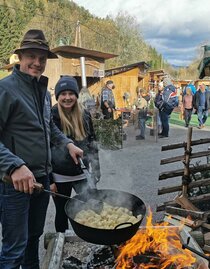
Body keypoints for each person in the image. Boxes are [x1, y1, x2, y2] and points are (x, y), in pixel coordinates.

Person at [0, 29, 83, 269]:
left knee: (33, 239)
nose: (37, 63)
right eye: (31, 56)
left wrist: (67, 144)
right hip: (14, 184)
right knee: (14, 248)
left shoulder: (44, 93)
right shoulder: (5, 90)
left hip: (41, 179)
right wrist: (14, 166)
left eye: (42, 58)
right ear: (21, 57)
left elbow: (48, 128)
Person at [50, 75, 101, 232]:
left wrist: (96, 168)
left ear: (76, 95)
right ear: (58, 96)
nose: (67, 97)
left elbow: (92, 142)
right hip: (59, 176)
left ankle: (95, 236)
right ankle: (61, 242)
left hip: (82, 173)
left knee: (94, 206)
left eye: (71, 93)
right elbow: (45, 149)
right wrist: (49, 179)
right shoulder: (51, 115)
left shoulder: (84, 115)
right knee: (62, 212)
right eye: (63, 94)